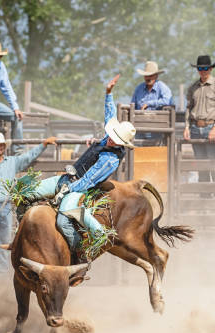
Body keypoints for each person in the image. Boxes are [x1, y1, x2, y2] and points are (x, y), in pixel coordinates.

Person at [25, 75, 136, 253]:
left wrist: (68, 189)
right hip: (68, 177)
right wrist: (109, 92)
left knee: (63, 220)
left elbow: (90, 180)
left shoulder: (111, 160)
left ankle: (78, 252)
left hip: (80, 188)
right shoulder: (109, 137)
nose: (111, 140)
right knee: (27, 193)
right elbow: (110, 114)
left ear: (121, 144)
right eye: (112, 137)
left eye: (116, 140)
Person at [0, 133, 57, 276]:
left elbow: (28, 157)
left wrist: (43, 144)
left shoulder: (12, 162)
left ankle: (3, 272)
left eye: (1, 145)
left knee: (5, 241)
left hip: (6, 207)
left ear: (4, 147)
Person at [183, 55, 215, 183]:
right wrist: (187, 127)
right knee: (201, 165)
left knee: (214, 164)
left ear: (211, 69)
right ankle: (204, 196)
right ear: (197, 70)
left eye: (206, 68)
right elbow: (188, 108)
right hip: (195, 128)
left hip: (210, 127)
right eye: (200, 68)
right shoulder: (192, 88)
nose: (203, 71)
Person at [131, 61, 173, 145]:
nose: (148, 78)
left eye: (151, 75)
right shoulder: (139, 89)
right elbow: (132, 105)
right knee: (139, 153)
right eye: (146, 75)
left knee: (156, 153)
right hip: (140, 128)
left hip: (157, 129)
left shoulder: (162, 87)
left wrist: (149, 103)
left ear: (156, 76)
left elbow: (168, 101)